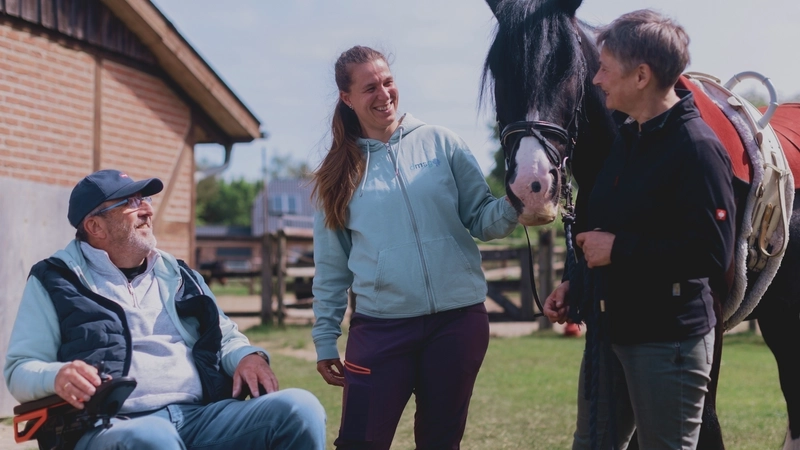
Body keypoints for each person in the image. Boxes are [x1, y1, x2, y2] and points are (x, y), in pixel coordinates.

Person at [4, 169, 327, 450]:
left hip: (199, 416)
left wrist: (246, 355)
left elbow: (226, 336)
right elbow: (19, 369)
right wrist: (57, 375)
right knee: (153, 438)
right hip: (111, 424)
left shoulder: (179, 273)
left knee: (300, 408)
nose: (145, 209)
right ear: (95, 227)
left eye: (145, 200)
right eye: (130, 203)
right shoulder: (56, 280)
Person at [543, 9, 736, 450]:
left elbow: (711, 254)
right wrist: (576, 281)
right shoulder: (626, 140)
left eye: (605, 69)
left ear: (642, 75)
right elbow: (604, 226)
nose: (596, 80)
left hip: (666, 343)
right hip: (608, 334)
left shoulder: (698, 149)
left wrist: (620, 249)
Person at [310, 45, 519, 449]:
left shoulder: (443, 144)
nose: (384, 94)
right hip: (381, 329)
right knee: (359, 441)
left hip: (457, 323)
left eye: (388, 82)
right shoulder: (335, 176)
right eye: (369, 87)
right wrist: (324, 338)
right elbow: (332, 269)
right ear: (347, 98)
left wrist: (514, 202)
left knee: (440, 442)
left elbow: (481, 218)